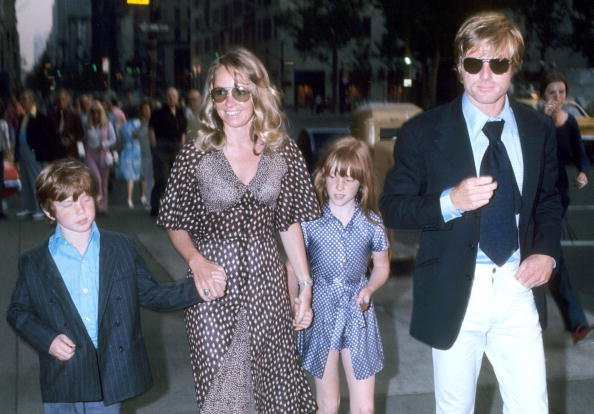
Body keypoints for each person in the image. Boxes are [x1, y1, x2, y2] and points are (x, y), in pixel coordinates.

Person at [380, 11, 563, 414]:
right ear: (459, 67)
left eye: (497, 63)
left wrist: (546, 254)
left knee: (532, 407)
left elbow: (549, 200)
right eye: (473, 63)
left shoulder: (537, 130)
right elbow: (392, 207)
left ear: (513, 67)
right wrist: (450, 202)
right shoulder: (423, 132)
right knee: (455, 409)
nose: (485, 74)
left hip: (518, 287)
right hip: (456, 290)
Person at [157, 47, 320, 413]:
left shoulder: (283, 152)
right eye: (220, 92)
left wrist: (306, 286)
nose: (229, 102)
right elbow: (174, 220)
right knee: (223, 397)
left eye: (240, 91)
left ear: (258, 93)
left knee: (273, 394)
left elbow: (289, 222)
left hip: (268, 289)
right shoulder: (196, 153)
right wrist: (195, 261)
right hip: (213, 290)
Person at [6, 158, 221, 414]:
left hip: (107, 373)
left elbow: (153, 293)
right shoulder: (35, 261)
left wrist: (199, 289)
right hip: (63, 373)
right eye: (68, 203)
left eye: (86, 199)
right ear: (50, 211)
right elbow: (18, 311)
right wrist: (48, 339)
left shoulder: (121, 248)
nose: (81, 210)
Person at [289, 136, 390, 414]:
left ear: (362, 182)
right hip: (320, 311)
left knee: (364, 407)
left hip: (358, 314)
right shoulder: (309, 222)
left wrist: (369, 289)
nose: (339, 186)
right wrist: (295, 301)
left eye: (348, 179)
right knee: (327, 403)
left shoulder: (373, 223)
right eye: (333, 177)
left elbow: (381, 266)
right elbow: (291, 266)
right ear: (323, 177)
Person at [540, 69, 592, 344]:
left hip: (556, 199)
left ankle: (576, 322)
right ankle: (573, 322)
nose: (558, 98)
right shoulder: (536, 122)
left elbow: (581, 156)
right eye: (552, 92)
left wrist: (583, 173)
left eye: (561, 92)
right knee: (546, 257)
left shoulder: (570, 122)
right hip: (533, 198)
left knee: (552, 256)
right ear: (543, 95)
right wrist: (544, 120)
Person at [14, 90, 59, 220]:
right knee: (25, 180)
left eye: (25, 99)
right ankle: (29, 208)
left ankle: (40, 209)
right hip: (23, 151)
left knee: (35, 180)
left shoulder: (40, 116)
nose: (23, 102)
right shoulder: (23, 116)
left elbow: (44, 137)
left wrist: (38, 150)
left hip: (32, 151)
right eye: (22, 99)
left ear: (32, 101)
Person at [149, 87, 187, 217]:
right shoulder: (159, 112)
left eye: (174, 96)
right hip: (162, 147)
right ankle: (157, 205)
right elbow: (151, 129)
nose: (172, 98)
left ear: (177, 98)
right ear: (166, 97)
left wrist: (182, 147)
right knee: (162, 178)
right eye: (170, 96)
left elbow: (183, 131)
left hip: (176, 147)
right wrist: (154, 146)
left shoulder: (181, 112)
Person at [83, 101, 116, 214]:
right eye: (93, 112)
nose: (95, 114)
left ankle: (103, 206)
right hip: (90, 155)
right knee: (97, 179)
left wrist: (104, 144)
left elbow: (113, 139)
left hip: (103, 154)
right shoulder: (87, 125)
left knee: (104, 182)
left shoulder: (107, 124)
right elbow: (84, 140)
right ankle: (97, 203)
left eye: (98, 112)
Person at [48, 89, 84, 159]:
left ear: (67, 100)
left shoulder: (74, 115)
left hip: (70, 151)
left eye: (63, 99)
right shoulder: (52, 115)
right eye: (59, 100)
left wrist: (72, 137)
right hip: (56, 151)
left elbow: (81, 133)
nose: (61, 102)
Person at [136, 101, 153, 209]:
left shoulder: (155, 122)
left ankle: (153, 200)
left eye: (148, 109)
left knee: (156, 179)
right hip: (145, 155)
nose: (146, 112)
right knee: (148, 178)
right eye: (144, 110)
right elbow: (134, 135)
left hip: (154, 153)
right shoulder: (140, 124)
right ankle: (149, 200)